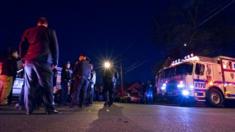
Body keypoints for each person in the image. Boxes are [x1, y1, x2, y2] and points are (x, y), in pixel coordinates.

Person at [19, 17, 59, 115]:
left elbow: (22, 45)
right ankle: (49, 108)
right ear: (46, 24)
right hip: (44, 60)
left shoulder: (28, 31)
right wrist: (55, 62)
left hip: (29, 60)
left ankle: (29, 109)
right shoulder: (50, 31)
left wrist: (23, 59)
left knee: (29, 85)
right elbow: (55, 47)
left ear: (38, 23)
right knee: (46, 84)